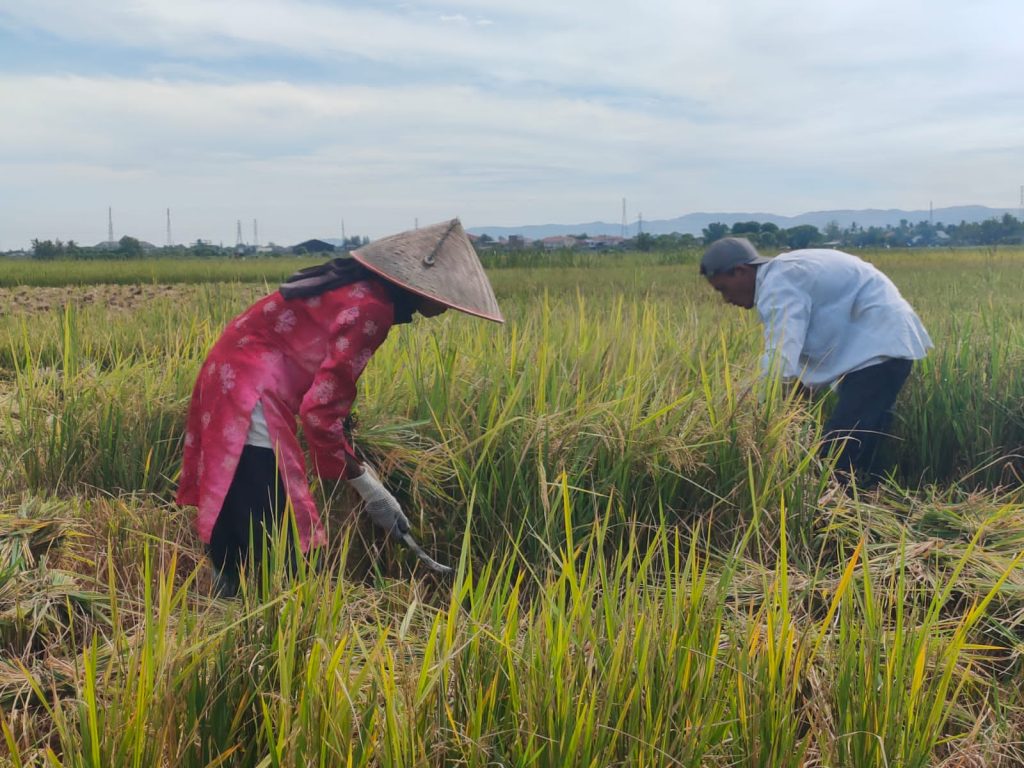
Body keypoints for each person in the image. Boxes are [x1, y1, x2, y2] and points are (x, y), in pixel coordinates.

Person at [176, 219, 503, 595]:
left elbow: (330, 392)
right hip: (250, 389)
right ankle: (259, 619)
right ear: (415, 285)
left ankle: (229, 604)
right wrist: (367, 486)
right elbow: (320, 409)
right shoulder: (372, 309)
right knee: (274, 523)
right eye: (444, 294)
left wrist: (346, 446)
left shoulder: (360, 291)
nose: (447, 305)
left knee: (245, 500)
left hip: (232, 373)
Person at [700, 237, 932, 484]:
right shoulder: (786, 273)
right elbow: (800, 351)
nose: (726, 300)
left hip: (878, 350)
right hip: (883, 348)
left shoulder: (777, 284)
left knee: (838, 451)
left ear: (741, 271)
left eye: (723, 289)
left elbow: (781, 354)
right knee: (862, 443)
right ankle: (869, 505)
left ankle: (838, 511)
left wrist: (751, 407)